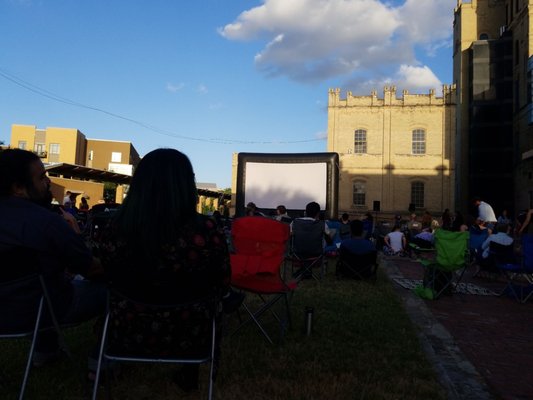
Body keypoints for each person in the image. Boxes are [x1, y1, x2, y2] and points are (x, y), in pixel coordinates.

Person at [96, 148, 232, 392]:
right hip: (191, 336)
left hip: (126, 332)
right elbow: (222, 283)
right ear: (185, 185)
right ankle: (189, 372)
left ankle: (100, 366)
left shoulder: (114, 228)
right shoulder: (207, 230)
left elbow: (106, 276)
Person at [0, 149, 105, 365]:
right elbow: (90, 268)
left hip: (13, 308)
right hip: (36, 312)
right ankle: (104, 358)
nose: (47, 182)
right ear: (18, 188)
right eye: (41, 177)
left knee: (40, 285)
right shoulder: (47, 222)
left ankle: (46, 350)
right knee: (112, 289)